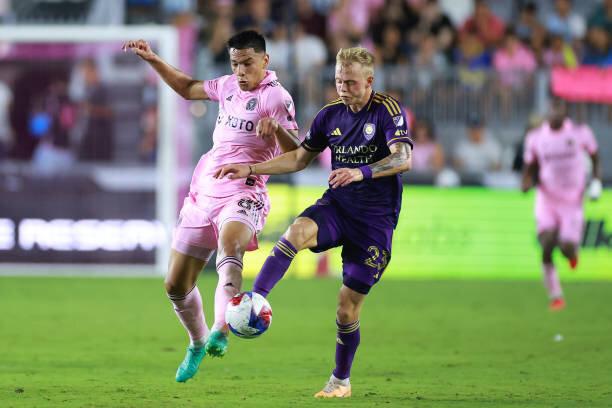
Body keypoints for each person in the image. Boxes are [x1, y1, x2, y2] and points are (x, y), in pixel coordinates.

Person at [215, 47, 412, 398]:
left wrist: (360, 172)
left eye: (350, 82)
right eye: (338, 80)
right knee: (296, 231)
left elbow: (403, 158)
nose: (343, 88)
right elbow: (299, 159)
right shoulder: (329, 116)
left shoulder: (387, 111)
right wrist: (251, 168)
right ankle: (256, 300)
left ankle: (340, 380)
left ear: (369, 81)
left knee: (346, 306)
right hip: (337, 207)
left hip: (374, 222)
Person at [123, 30, 299, 382]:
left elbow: (298, 156)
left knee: (231, 245)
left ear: (265, 60)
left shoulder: (276, 98)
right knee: (174, 285)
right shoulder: (228, 86)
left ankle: (223, 326)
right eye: (235, 63)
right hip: (206, 188)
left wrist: (276, 129)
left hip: (245, 190)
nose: (240, 71)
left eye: (247, 63)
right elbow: (189, 89)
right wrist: (155, 59)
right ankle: (198, 341)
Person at [521, 97, 601, 311]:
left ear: (565, 112)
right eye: (552, 109)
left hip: (572, 199)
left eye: (559, 109)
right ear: (548, 112)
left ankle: (572, 254)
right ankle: (556, 295)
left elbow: (595, 156)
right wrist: (526, 182)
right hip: (547, 197)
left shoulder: (579, 132)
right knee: (546, 243)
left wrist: (596, 181)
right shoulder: (536, 137)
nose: (555, 113)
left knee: (566, 247)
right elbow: (530, 164)